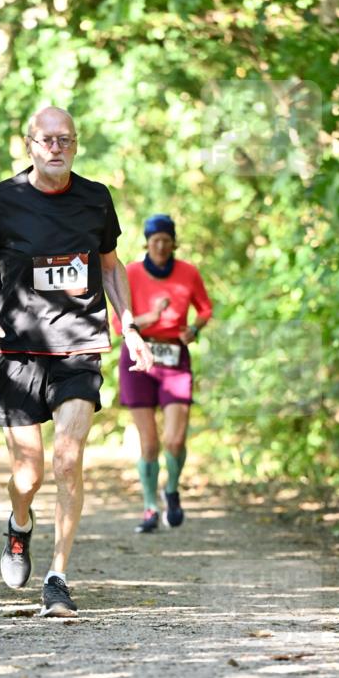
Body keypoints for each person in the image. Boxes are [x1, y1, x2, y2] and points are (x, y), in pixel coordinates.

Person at [0, 106, 153, 618]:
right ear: (29, 145)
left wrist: (128, 325)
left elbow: (110, 267)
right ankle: (19, 524)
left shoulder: (95, 198)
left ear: (76, 144)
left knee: (68, 458)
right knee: (30, 475)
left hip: (78, 346)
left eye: (65, 139)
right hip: (18, 349)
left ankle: (58, 576)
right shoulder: (2, 200)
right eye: (46, 140)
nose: (56, 148)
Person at [114, 214, 212, 533]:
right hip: (138, 355)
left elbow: (205, 308)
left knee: (175, 439)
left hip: (173, 357)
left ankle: (172, 490)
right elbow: (118, 324)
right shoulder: (129, 272)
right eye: (155, 240)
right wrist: (151, 316)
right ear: (147, 242)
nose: (160, 245)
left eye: (166, 240)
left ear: (173, 243)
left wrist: (194, 328)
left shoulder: (188, 273)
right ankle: (149, 507)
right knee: (150, 443)